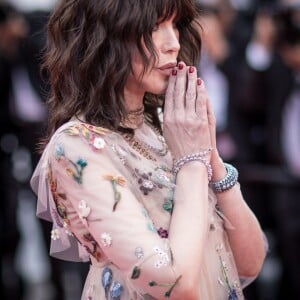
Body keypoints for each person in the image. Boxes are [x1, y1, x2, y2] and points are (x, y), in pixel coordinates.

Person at [30, 0, 267, 299]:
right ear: (105, 37)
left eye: (175, 25)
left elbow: (251, 262)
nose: (173, 43)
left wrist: (212, 159)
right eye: (154, 27)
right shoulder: (76, 146)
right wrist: (192, 162)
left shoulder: (167, 126)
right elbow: (173, 283)